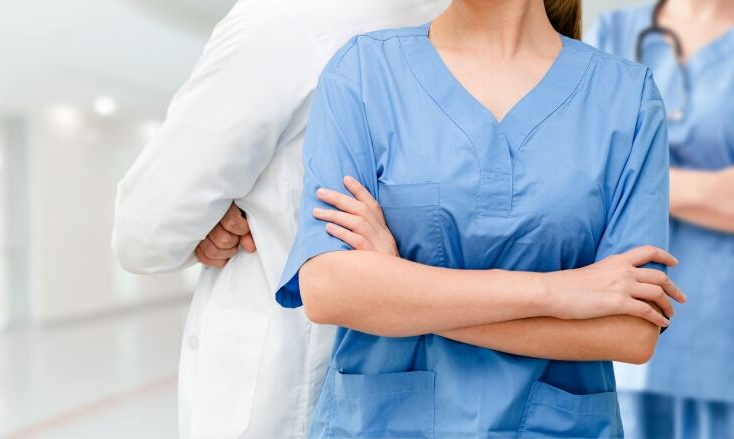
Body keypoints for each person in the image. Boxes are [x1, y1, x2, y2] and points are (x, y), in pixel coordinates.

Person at [273, 0, 689, 437]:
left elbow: (628, 332)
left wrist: (401, 287)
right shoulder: (363, 71)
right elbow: (330, 290)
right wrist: (555, 293)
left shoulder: (627, 96)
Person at [111, 0, 449, 437]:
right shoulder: (451, 21)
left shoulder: (289, 21)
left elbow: (144, 231)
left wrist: (205, 223)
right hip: (423, 380)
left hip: (286, 386)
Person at [587, 1, 734, 437]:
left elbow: (597, 171)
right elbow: (570, 174)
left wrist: (630, 173)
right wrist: (703, 189)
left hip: (720, 346)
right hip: (618, 342)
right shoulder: (615, 31)